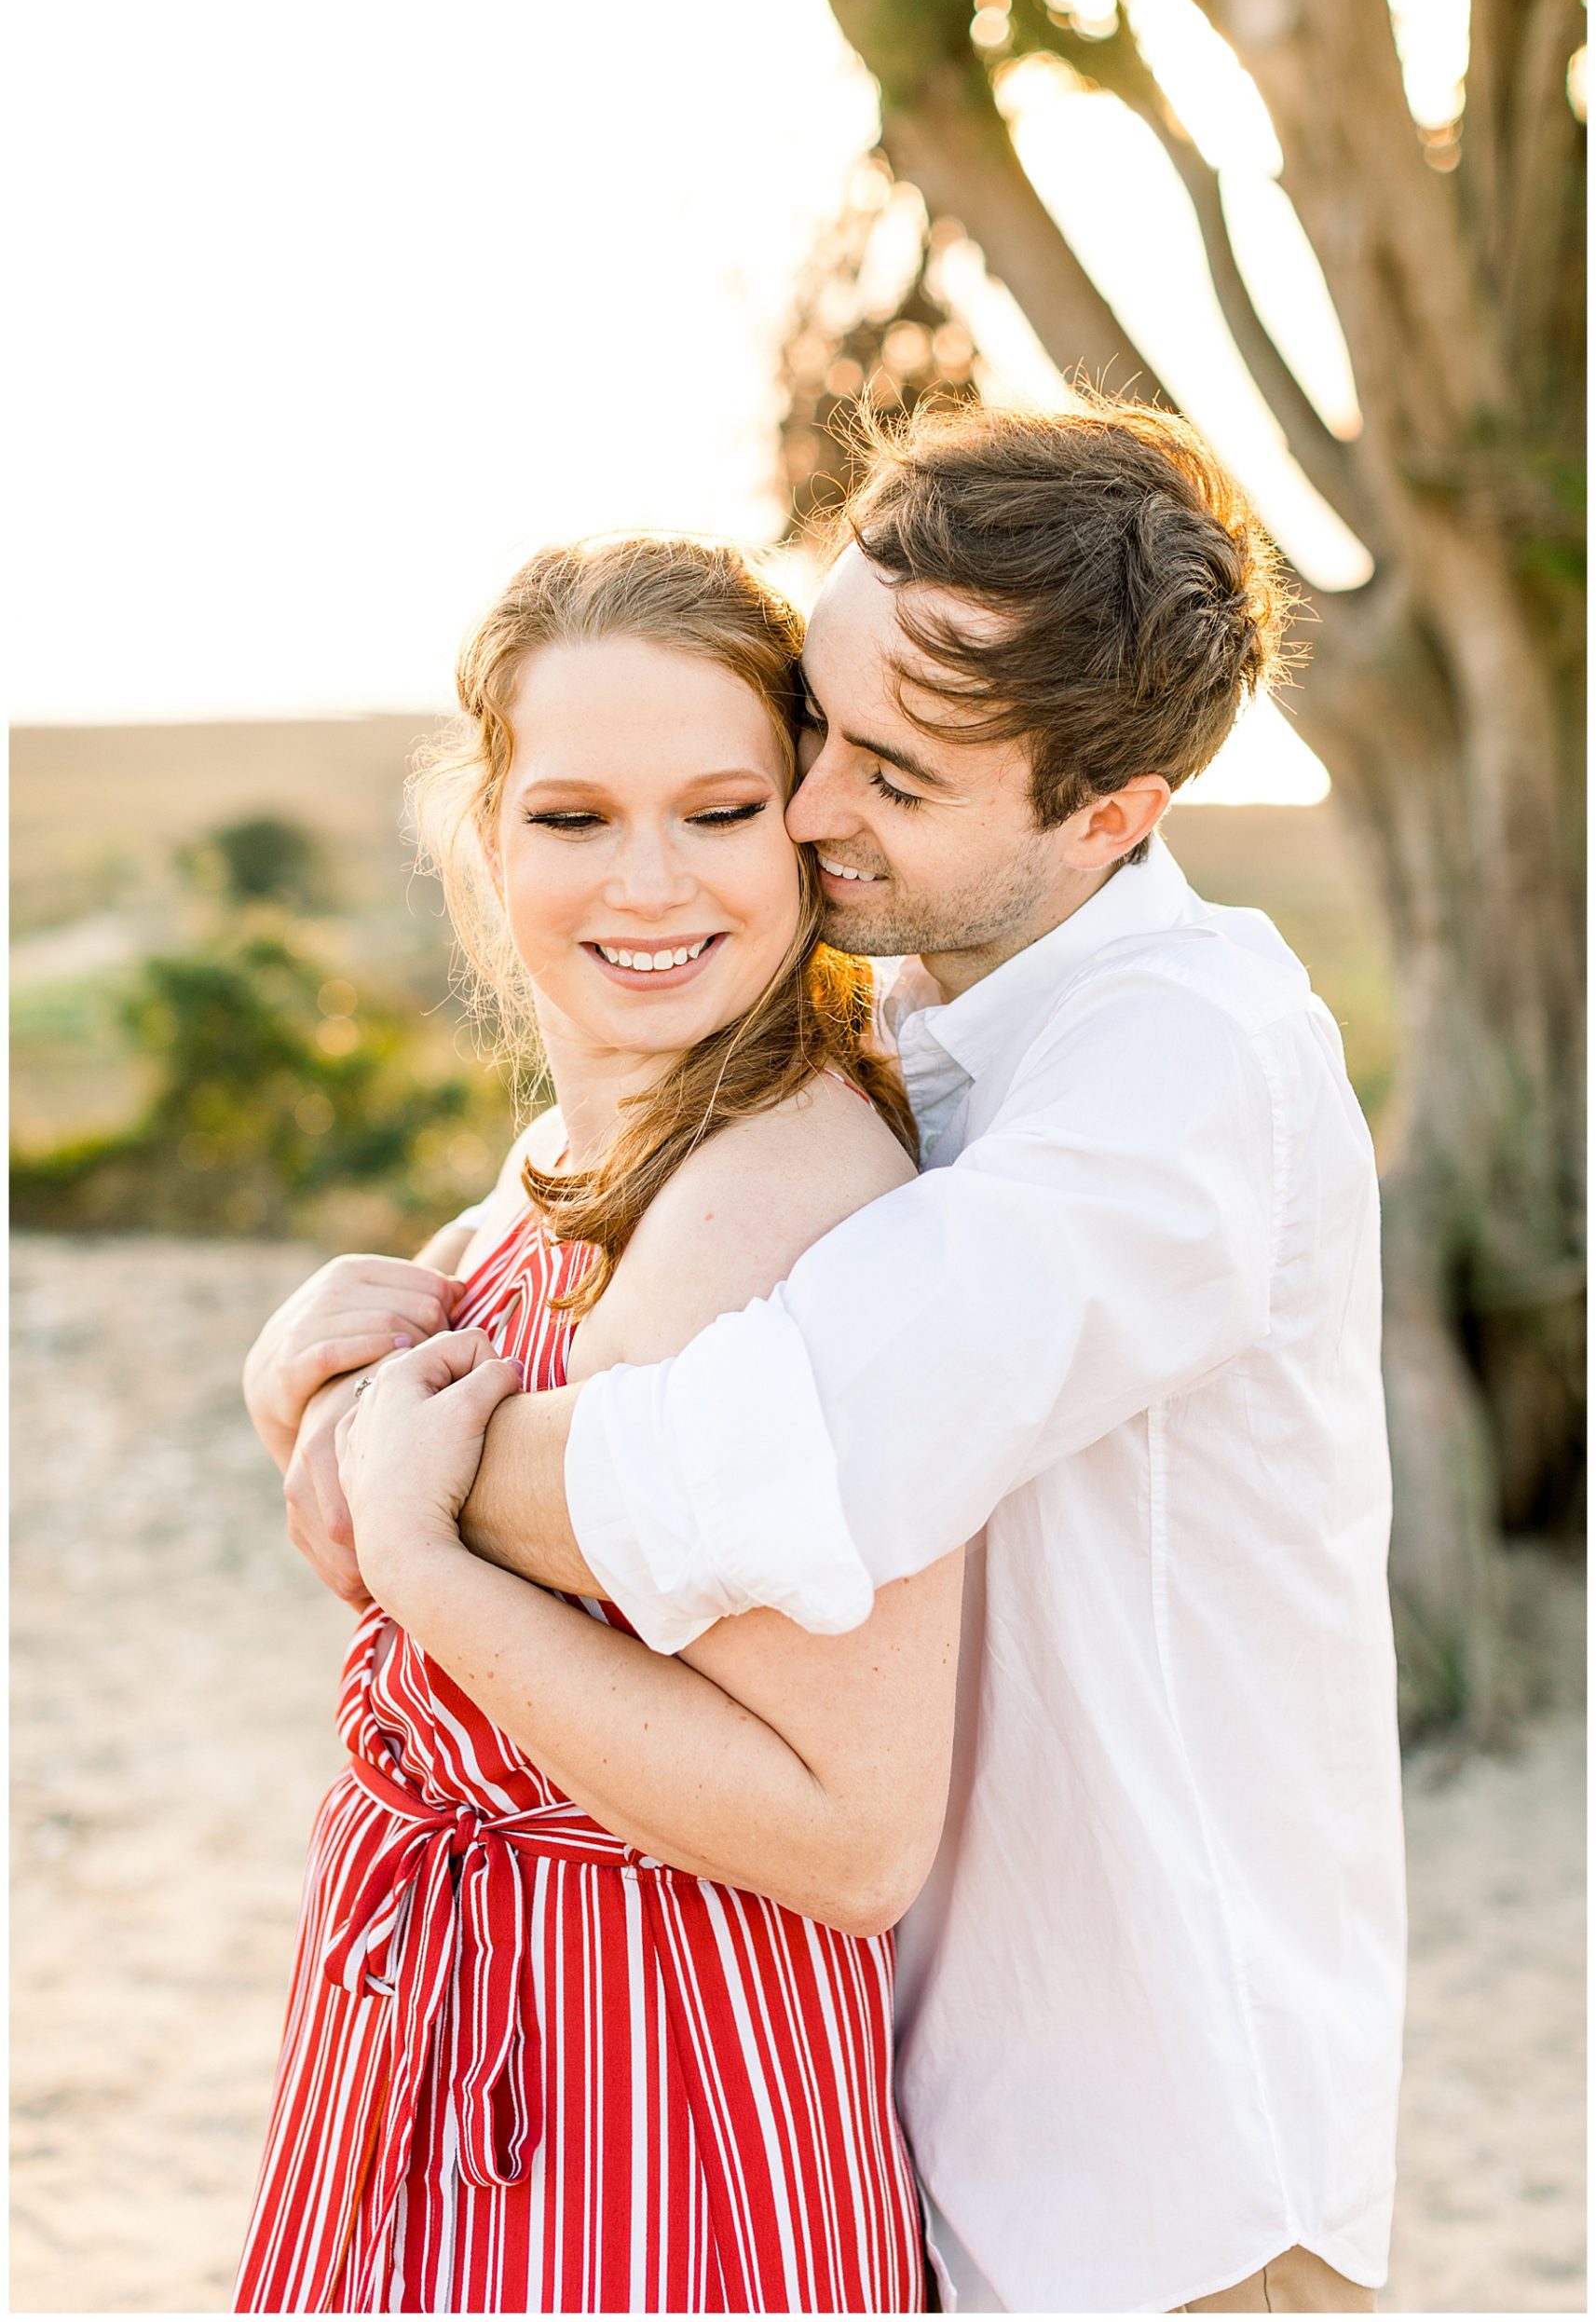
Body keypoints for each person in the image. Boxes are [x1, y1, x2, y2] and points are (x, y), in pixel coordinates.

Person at [264, 400, 1407, 2315]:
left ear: (1107, 811)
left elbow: (762, 1457)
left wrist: (410, 1485)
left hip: (1160, 2185)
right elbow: (597, 1204)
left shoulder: (1183, 1069)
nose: (801, 814)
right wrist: (346, 1333)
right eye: (812, 727)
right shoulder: (919, 987)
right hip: (925, 2117)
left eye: (882, 770)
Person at [235, 535, 964, 2314]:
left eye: (718, 811)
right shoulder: (566, 1166)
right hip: (450, 2019)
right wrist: (303, 1397)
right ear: (485, 841)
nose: (649, 883)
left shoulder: (778, 1198)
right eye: (572, 819)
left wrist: (413, 1551)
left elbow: (850, 1838)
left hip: (637, 2094)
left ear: (806, 823)